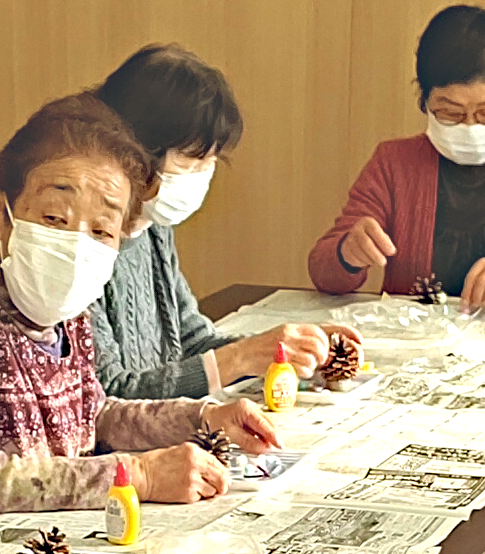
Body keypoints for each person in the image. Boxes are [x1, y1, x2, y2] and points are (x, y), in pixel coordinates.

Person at [0, 94, 279, 517]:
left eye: (101, 230)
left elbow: (91, 412)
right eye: (54, 219)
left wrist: (202, 419)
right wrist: (138, 475)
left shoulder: (63, 302)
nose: (77, 246)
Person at [308, 4, 485, 309]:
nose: (470, 127)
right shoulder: (394, 163)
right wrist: (347, 253)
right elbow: (322, 270)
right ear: (424, 97)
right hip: (416, 339)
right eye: (450, 112)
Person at [90, 43, 329, 397]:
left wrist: (285, 351)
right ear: (131, 148)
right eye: (189, 162)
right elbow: (109, 393)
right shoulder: (81, 243)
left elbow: (191, 340)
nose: (200, 176)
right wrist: (243, 357)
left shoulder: (153, 227)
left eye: (210, 162)